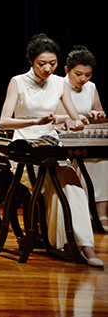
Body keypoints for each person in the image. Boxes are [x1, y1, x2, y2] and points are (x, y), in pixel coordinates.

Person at [0, 33, 103, 267]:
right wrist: (34, 122)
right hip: (24, 148)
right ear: (31, 61)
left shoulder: (59, 83)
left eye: (52, 63)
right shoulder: (18, 82)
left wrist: (79, 121)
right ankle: (67, 244)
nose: (47, 68)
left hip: (52, 147)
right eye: (41, 63)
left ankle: (84, 246)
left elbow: (75, 120)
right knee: (57, 184)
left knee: (72, 185)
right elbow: (4, 122)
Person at [58, 46, 107, 225]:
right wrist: (72, 119)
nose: (83, 79)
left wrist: (98, 117)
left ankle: (101, 212)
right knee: (88, 160)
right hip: (62, 136)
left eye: (88, 75)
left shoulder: (91, 87)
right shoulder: (57, 86)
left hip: (85, 137)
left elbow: (100, 115)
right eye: (78, 74)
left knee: (103, 160)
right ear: (67, 70)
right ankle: (84, 210)